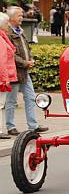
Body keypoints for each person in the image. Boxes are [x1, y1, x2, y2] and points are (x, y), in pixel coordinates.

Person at [5, 7, 48, 135]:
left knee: (30, 98)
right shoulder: (8, 34)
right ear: (11, 18)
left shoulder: (20, 31)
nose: (21, 18)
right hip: (14, 72)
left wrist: (31, 59)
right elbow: (10, 54)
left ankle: (33, 125)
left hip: (24, 72)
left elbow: (26, 49)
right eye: (19, 16)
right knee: (11, 101)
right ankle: (10, 126)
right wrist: (25, 63)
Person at [0, 13, 17, 139]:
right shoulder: (1, 38)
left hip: (4, 74)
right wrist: (4, 78)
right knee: (1, 104)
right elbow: (2, 60)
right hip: (2, 76)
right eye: (6, 23)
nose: (8, 25)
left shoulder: (3, 36)